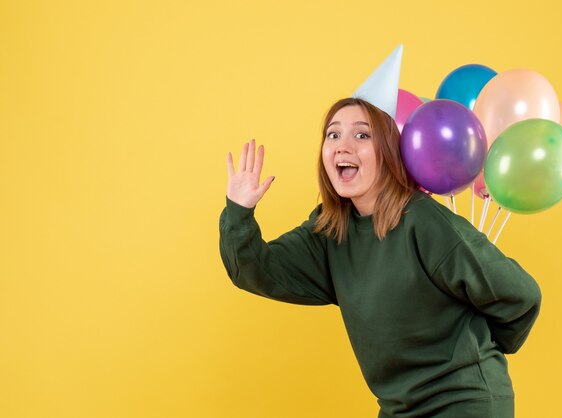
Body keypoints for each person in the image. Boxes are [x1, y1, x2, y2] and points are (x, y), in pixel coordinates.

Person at [219, 97, 542, 417]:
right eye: (333, 134)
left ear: (387, 152)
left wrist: (480, 349)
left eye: (362, 135)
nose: (343, 146)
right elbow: (256, 270)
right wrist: (239, 211)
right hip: (399, 408)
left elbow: (519, 295)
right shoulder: (330, 231)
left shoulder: (422, 222)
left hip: (462, 403)